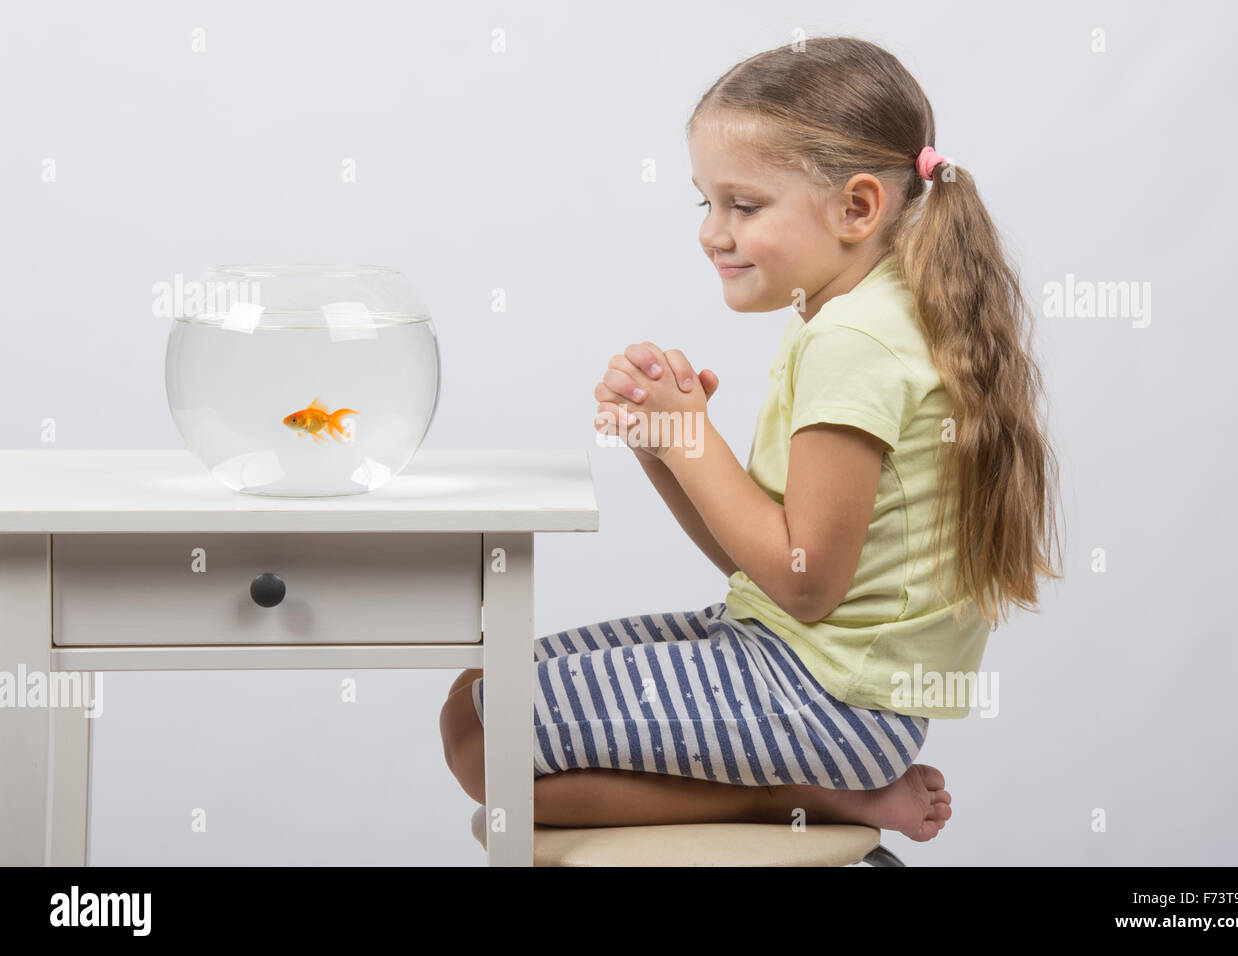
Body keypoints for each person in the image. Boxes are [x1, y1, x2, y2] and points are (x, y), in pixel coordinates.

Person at [441, 35, 1063, 843]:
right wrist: (665, 444)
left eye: (744, 205)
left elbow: (806, 586)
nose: (712, 232)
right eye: (705, 203)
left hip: (827, 701)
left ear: (858, 207)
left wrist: (693, 436)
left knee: (485, 747)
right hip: (792, 661)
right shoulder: (867, 319)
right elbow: (761, 565)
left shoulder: (855, 342)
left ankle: (811, 800)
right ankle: (817, 789)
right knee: (478, 691)